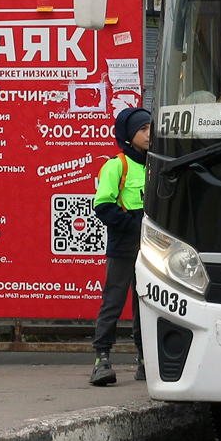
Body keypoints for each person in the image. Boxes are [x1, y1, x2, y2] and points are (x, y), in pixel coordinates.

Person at [89, 107, 150, 386]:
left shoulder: (157, 164)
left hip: (153, 249)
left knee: (147, 304)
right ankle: (102, 360)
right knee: (113, 302)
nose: (149, 134)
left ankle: (146, 361)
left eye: (151, 127)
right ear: (129, 135)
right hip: (124, 246)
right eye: (143, 129)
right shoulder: (117, 165)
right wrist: (131, 224)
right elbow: (102, 205)